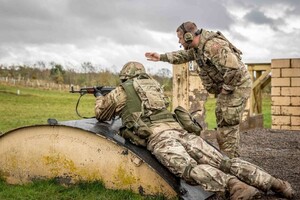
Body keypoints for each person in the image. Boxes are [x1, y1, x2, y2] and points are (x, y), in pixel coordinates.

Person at [95, 61, 294, 200]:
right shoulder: (154, 86)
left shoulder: (121, 91)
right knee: (224, 161)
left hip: (159, 137)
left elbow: (102, 115)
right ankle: (279, 185)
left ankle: (236, 187)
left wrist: (99, 97)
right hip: (180, 130)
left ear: (125, 75)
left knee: (189, 168)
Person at [145, 21, 252, 159]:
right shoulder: (197, 48)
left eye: (180, 39)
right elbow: (183, 56)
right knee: (223, 120)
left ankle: (231, 162)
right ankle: (230, 159)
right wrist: (161, 57)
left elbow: (234, 68)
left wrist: (226, 89)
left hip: (237, 85)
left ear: (188, 36)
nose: (180, 42)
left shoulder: (212, 46)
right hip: (230, 85)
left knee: (227, 123)